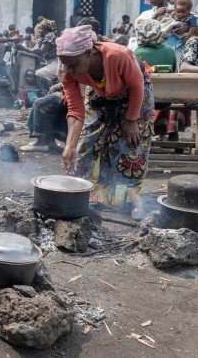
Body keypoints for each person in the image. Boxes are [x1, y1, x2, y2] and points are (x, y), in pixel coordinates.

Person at [56, 25, 154, 220]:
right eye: (65, 65)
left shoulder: (118, 55)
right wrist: (70, 145)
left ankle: (134, 199)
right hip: (102, 92)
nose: (68, 70)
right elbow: (76, 110)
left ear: (88, 53)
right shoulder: (67, 70)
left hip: (136, 93)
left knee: (131, 145)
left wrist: (131, 120)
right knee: (86, 143)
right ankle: (88, 194)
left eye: (73, 65)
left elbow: (136, 86)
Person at [134, 19, 188, 143]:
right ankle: (172, 134)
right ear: (159, 33)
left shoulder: (137, 52)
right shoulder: (170, 50)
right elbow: (175, 72)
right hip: (166, 100)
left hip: (143, 100)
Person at [15, 19, 58, 96]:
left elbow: (39, 51)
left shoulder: (50, 36)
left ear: (46, 29)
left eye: (41, 29)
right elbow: (34, 48)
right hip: (48, 63)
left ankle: (49, 95)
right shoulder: (43, 37)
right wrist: (25, 40)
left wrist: (23, 48)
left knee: (39, 74)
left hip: (56, 62)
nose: (39, 31)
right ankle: (48, 95)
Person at [21, 83, 68, 152]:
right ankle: (50, 142)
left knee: (39, 103)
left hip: (71, 96)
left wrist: (55, 88)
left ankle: (42, 143)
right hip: (69, 94)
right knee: (49, 102)